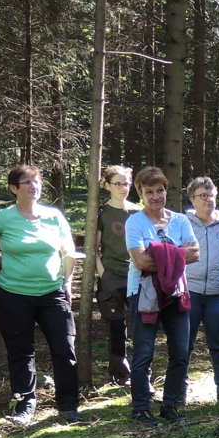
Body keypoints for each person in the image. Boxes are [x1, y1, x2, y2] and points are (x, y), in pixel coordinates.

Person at [0, 165, 82, 426]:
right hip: (13, 294)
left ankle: (68, 406)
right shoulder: (3, 217)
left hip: (52, 293)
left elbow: (69, 252)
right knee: (20, 352)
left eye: (37, 182)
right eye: (27, 182)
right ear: (13, 188)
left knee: (65, 349)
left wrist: (67, 282)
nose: (34, 186)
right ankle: (24, 404)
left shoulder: (53, 216)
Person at [124, 166, 200, 425]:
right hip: (143, 295)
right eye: (149, 192)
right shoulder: (134, 221)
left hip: (176, 294)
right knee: (143, 352)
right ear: (141, 194)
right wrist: (176, 254)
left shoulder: (180, 220)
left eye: (160, 191)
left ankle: (170, 405)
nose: (156, 196)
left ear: (166, 191)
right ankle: (141, 407)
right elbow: (141, 262)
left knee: (180, 351)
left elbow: (196, 253)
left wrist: (158, 252)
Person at [183, 176, 219, 402]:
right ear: (192, 199)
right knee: (183, 344)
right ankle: (179, 392)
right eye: (202, 196)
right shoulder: (182, 222)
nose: (208, 200)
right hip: (190, 293)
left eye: (211, 195)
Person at [95, 165, 140, 385]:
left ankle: (142, 372)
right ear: (107, 185)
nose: (123, 188)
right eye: (118, 184)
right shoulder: (101, 212)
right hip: (111, 276)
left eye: (126, 183)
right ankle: (121, 374)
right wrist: (104, 275)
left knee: (140, 325)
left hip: (137, 275)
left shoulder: (137, 211)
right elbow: (93, 248)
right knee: (115, 328)